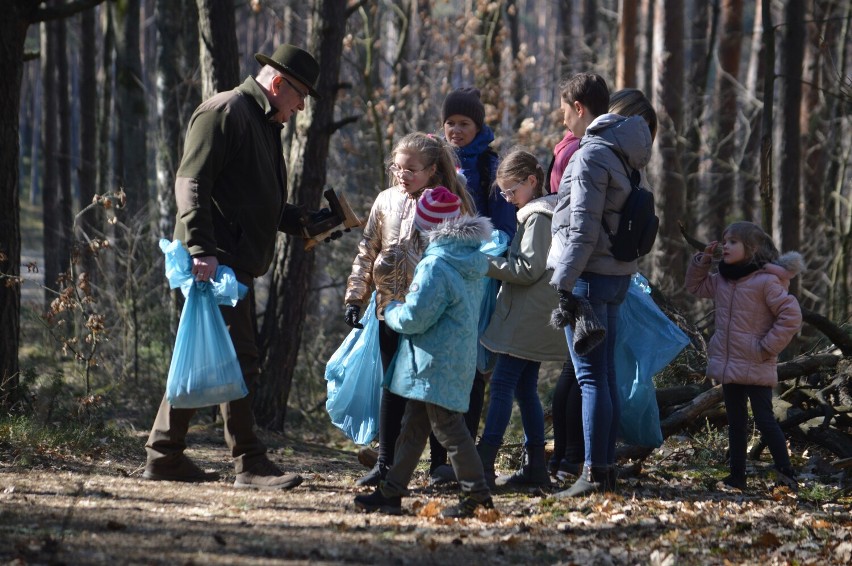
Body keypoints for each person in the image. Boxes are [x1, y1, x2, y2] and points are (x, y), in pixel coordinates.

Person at [144, 44, 336, 489]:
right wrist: (199, 249)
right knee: (238, 358)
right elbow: (191, 182)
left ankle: (164, 453)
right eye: (301, 94)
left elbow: (255, 202)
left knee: (209, 358)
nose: (302, 105)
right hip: (214, 261)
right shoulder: (225, 110)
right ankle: (248, 463)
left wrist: (307, 221)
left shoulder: (263, 123)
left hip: (227, 260)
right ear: (278, 83)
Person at [353, 188, 495, 518]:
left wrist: (391, 312)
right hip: (448, 359)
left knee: (450, 431)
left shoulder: (437, 266)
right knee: (414, 428)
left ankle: (478, 496)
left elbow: (417, 316)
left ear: (428, 227)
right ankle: (391, 492)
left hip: (433, 361)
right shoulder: (470, 259)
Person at [344, 133, 475, 487]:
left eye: (411, 169)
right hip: (388, 310)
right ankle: (385, 464)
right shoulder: (385, 201)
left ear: (432, 170)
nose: (402, 175)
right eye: (397, 167)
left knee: (430, 392)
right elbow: (367, 250)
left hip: (429, 315)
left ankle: (439, 466)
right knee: (392, 388)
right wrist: (356, 297)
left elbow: (458, 261)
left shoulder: (448, 206)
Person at [547, 73, 653, 498]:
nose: (563, 122)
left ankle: (592, 472)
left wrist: (563, 281)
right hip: (615, 275)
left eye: (563, 111)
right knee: (603, 376)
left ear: (578, 108)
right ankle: (603, 468)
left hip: (588, 278)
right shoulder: (623, 151)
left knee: (590, 378)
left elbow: (583, 227)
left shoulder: (591, 154)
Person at [427, 87, 518, 486]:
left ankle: (463, 456)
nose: (456, 130)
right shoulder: (434, 160)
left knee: (472, 366)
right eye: (451, 123)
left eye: (464, 123)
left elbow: (503, 224)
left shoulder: (489, 166)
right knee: (435, 363)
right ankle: (436, 461)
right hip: (435, 271)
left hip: (476, 279)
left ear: (478, 126)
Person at [685, 221, 802, 491]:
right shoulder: (723, 279)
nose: (725, 245)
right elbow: (696, 287)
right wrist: (702, 260)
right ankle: (737, 476)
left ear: (751, 248)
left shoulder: (765, 281)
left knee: (764, 419)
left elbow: (791, 315)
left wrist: (767, 347)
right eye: (724, 240)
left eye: (733, 241)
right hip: (730, 364)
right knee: (735, 422)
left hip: (757, 361)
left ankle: (786, 472)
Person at [475, 149, 567, 490]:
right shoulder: (538, 213)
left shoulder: (538, 217)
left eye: (511, 191)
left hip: (528, 316)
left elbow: (528, 269)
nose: (508, 198)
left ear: (532, 181)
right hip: (531, 315)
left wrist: (484, 265)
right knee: (525, 389)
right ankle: (536, 469)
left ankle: (484, 462)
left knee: (501, 385)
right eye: (503, 193)